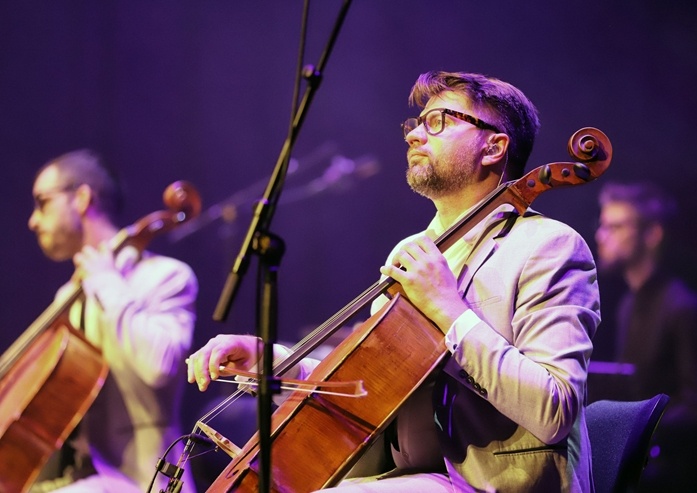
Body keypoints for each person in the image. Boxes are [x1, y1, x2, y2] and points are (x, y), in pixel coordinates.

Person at [188, 71, 601, 492]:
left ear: (493, 147)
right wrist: (271, 362)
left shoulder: (549, 245)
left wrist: (448, 309)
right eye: (416, 124)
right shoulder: (413, 251)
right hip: (417, 478)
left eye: (438, 121)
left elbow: (554, 410)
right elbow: (374, 390)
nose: (416, 135)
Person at [25, 150, 198, 492]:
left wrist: (107, 283)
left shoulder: (167, 276)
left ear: (82, 198)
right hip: (75, 479)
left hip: (144, 482)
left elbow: (159, 366)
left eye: (42, 202)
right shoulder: (68, 298)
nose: (32, 220)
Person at [594, 181, 697, 492]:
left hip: (671, 478)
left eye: (617, 226)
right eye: (603, 225)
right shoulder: (628, 303)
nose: (601, 235)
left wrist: (633, 427)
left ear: (652, 234)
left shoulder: (682, 307)